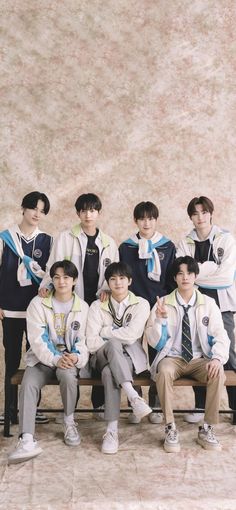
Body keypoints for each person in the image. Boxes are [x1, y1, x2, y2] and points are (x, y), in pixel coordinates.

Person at [40, 193, 119, 415]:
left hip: (99, 304)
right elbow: (53, 266)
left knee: (96, 349)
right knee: (71, 347)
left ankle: (99, 404)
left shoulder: (108, 242)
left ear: (98, 213)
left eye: (92, 210)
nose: (88, 215)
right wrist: (47, 284)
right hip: (71, 303)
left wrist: (105, 289)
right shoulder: (65, 237)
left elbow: (113, 274)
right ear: (78, 213)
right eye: (83, 210)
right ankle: (69, 410)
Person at [145, 256, 230, 453]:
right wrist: (159, 321)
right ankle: (170, 427)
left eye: (190, 273)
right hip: (172, 358)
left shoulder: (208, 303)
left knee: (218, 373)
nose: (185, 277)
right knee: (164, 372)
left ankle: (207, 428)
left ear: (195, 276)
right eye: (180, 273)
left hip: (199, 359)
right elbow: (153, 341)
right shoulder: (163, 303)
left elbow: (220, 334)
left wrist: (217, 359)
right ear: (175, 277)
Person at [8, 260, 89, 464]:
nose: (61, 281)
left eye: (66, 277)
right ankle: (26, 438)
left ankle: (69, 422)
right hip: (42, 360)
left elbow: (84, 340)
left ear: (74, 281)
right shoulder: (37, 303)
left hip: (68, 360)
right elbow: (37, 339)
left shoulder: (83, 307)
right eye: (57, 277)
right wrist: (54, 358)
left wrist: (77, 356)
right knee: (28, 384)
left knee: (69, 378)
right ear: (51, 280)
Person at [176, 196, 236, 422]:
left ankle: (234, 407)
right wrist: (211, 268)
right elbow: (184, 277)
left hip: (223, 304)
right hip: (194, 304)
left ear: (211, 213)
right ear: (190, 216)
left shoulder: (226, 239)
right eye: (195, 213)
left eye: (204, 212)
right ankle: (200, 407)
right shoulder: (185, 242)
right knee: (198, 352)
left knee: (227, 354)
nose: (200, 217)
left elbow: (226, 277)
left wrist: (198, 274)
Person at [86, 261, 152, 454]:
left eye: (122, 278)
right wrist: (113, 338)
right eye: (113, 279)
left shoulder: (141, 304)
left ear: (130, 281)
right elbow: (91, 342)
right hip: (100, 355)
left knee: (109, 373)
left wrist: (105, 331)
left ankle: (111, 431)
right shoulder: (97, 306)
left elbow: (133, 335)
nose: (118, 283)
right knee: (113, 346)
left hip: (130, 358)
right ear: (108, 283)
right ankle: (134, 396)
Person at [119, 201, 176, 424]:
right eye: (142, 218)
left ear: (156, 220)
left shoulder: (167, 247)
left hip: (158, 305)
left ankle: (156, 402)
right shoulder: (126, 247)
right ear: (136, 221)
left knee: (158, 353)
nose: (147, 222)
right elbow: (121, 277)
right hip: (132, 306)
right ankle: (136, 402)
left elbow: (172, 279)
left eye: (151, 218)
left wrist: (166, 305)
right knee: (132, 353)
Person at [0, 191, 52, 426]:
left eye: (42, 211)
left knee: (37, 360)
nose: (37, 214)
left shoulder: (47, 241)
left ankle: (32, 409)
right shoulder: (4, 238)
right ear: (23, 208)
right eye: (34, 208)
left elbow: (51, 277)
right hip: (10, 309)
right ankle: (9, 410)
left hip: (36, 312)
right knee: (11, 360)